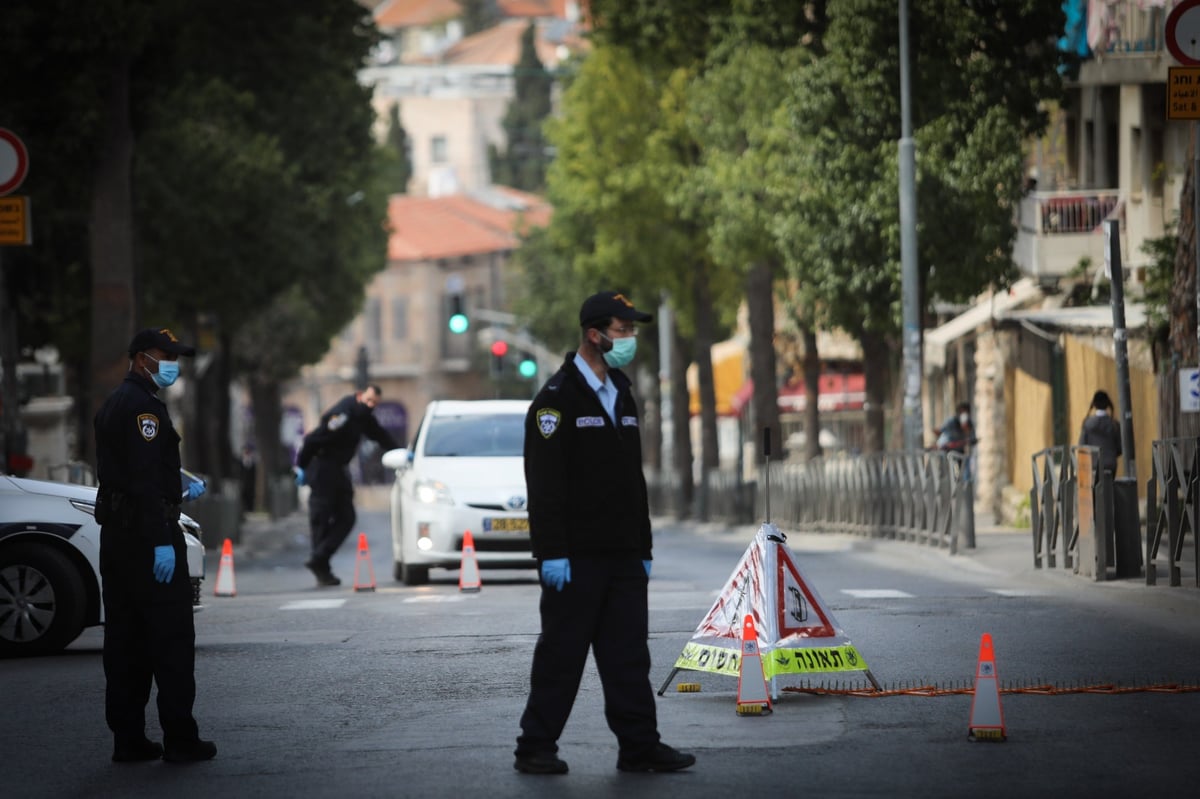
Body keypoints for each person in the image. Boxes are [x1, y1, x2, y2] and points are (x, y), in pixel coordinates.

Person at [513, 291, 695, 776]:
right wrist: (551, 552)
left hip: (623, 556)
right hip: (575, 559)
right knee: (562, 656)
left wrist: (644, 547)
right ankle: (534, 746)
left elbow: (632, 482)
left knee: (629, 658)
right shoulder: (555, 401)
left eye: (632, 330)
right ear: (595, 334)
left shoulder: (623, 391)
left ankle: (639, 747)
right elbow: (545, 486)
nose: (630, 338)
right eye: (623, 329)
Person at [93, 327, 216, 764]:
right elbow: (144, 482)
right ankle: (180, 739)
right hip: (149, 540)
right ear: (142, 358)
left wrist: (177, 483)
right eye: (166, 357)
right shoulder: (144, 410)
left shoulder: (114, 403)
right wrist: (163, 541)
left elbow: (124, 471)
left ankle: (127, 739)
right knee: (171, 640)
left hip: (119, 540)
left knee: (126, 642)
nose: (173, 365)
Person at [294, 385, 398, 586]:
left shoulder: (363, 416)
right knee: (321, 519)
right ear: (359, 396)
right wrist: (301, 466)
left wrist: (401, 452)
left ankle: (319, 558)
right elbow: (313, 439)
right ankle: (322, 568)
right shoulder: (344, 414)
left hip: (339, 469)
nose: (371, 405)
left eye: (374, 403)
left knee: (347, 517)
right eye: (368, 400)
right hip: (322, 467)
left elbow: (380, 435)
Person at [1078, 389, 1122, 474]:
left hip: (1093, 464)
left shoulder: (1087, 423)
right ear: (1108, 404)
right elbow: (1120, 448)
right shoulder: (1114, 424)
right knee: (1110, 485)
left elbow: (1082, 446)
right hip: (1111, 464)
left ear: (1094, 405)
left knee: (1094, 485)